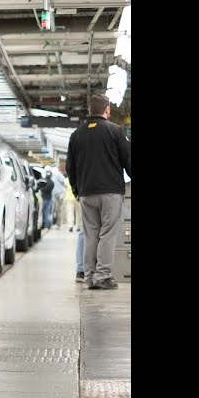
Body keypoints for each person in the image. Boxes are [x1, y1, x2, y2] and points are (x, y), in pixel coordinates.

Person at [65, 93, 132, 290]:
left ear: (89, 111)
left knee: (90, 234)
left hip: (86, 193)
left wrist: (77, 190)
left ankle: (90, 276)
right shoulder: (115, 131)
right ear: (107, 110)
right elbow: (128, 159)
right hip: (110, 192)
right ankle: (103, 276)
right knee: (108, 234)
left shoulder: (76, 135)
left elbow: (70, 168)